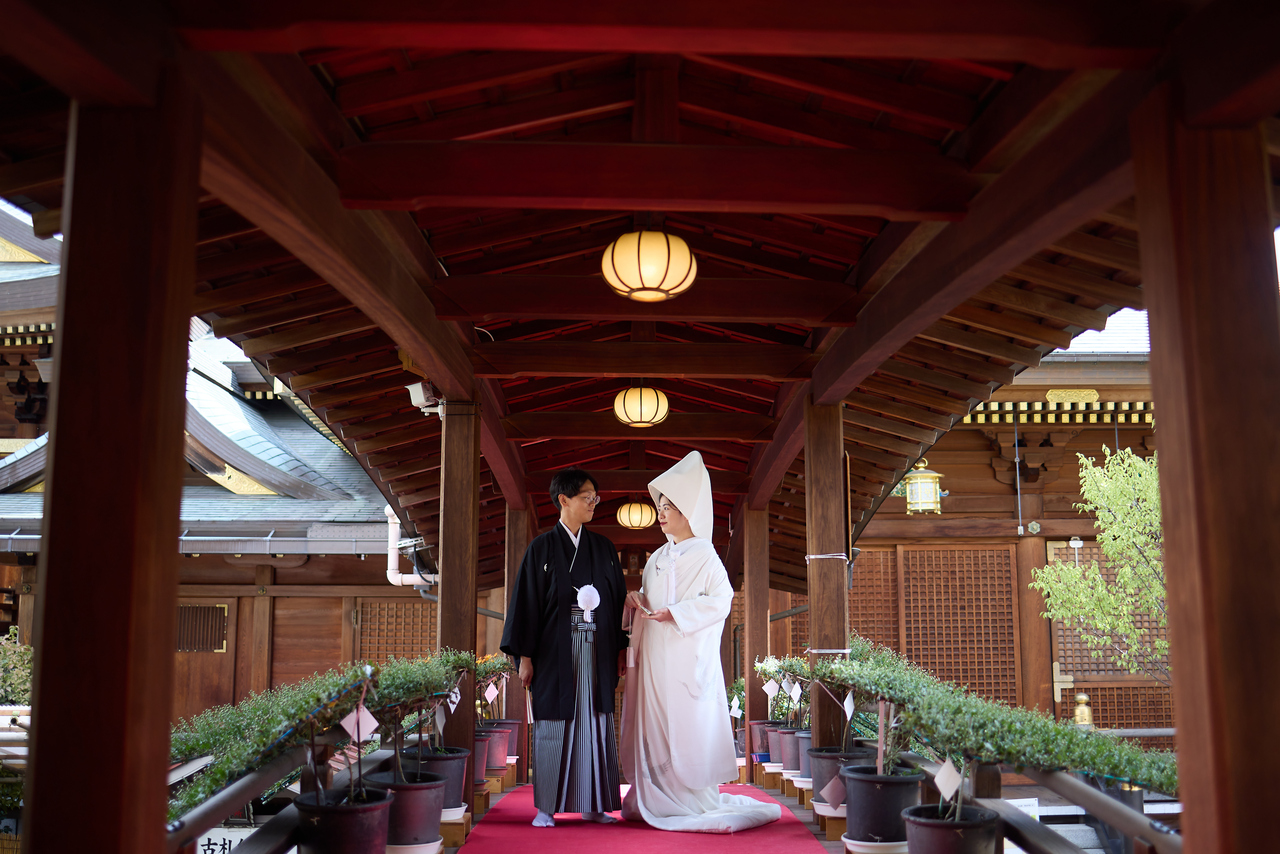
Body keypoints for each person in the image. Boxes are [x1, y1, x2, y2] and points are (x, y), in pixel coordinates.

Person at [619, 451, 782, 833]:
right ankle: (658, 794)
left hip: (688, 660)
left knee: (688, 724)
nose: (661, 514)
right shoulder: (656, 558)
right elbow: (648, 600)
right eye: (660, 507)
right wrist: (636, 600)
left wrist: (676, 614)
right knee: (656, 724)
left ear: (688, 510)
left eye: (669, 507)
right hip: (655, 658)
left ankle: (689, 798)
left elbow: (722, 601)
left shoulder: (706, 554)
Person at [500, 468, 627, 827]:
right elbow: (526, 605)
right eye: (587, 497)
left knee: (595, 725)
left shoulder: (603, 548)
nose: (593, 503)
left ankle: (594, 804)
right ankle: (546, 808)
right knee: (553, 726)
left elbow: (617, 601)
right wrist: (525, 657)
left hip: (597, 651)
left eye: (595, 497)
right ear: (564, 500)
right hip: (553, 654)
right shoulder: (540, 548)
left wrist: (621, 648)